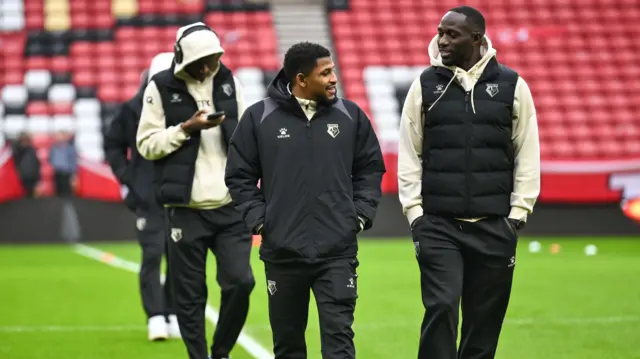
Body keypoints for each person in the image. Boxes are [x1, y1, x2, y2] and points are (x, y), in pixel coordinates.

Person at [225, 42, 386, 359]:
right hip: (282, 253)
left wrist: (359, 215)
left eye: (333, 71)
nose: (333, 79)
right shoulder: (259, 118)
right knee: (288, 346)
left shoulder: (351, 115)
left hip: (337, 252)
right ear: (301, 78)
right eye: (325, 73)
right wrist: (261, 220)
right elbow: (238, 176)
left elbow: (370, 168)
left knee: (340, 343)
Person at [397, 6, 540, 359]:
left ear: (476, 38)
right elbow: (409, 150)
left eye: (451, 34)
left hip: (494, 227)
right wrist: (415, 213)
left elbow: (527, 150)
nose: (441, 40)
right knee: (442, 307)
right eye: (440, 32)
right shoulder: (425, 84)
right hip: (438, 225)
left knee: (484, 320)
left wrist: (518, 213)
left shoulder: (512, 84)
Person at [136, 22, 255, 359]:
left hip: (230, 205)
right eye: (199, 60)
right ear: (182, 59)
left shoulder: (229, 81)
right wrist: (186, 128)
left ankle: (221, 351)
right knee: (190, 296)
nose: (206, 67)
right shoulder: (159, 87)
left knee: (241, 282)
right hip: (184, 208)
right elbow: (146, 144)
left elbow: (248, 133)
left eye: (213, 58)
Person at [103, 53, 179, 341]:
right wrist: (128, 177)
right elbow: (112, 144)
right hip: (147, 196)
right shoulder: (131, 110)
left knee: (179, 258)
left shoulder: (183, 108)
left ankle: (171, 311)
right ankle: (156, 316)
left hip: (180, 196)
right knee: (152, 255)